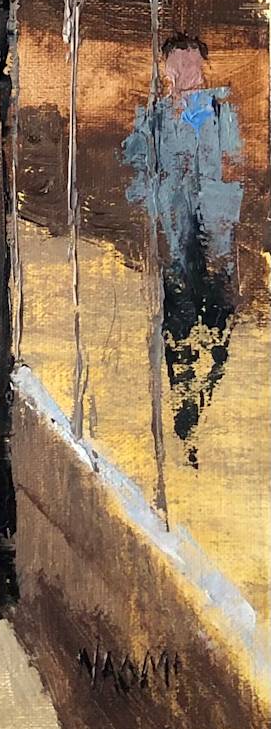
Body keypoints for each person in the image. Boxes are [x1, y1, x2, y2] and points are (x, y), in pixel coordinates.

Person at [122, 33, 244, 466]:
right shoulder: (152, 116)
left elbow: (235, 163)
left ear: (203, 69)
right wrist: (152, 198)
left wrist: (223, 204)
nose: (186, 72)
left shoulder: (219, 110)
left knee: (218, 320)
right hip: (174, 234)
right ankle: (185, 407)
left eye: (192, 65)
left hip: (215, 234)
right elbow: (133, 164)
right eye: (177, 65)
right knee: (178, 318)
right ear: (165, 69)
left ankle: (207, 389)